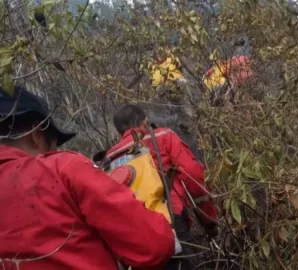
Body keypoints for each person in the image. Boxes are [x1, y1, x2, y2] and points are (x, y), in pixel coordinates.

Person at [0, 86, 175, 270]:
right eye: (52, 146)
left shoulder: (110, 156)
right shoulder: (61, 170)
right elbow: (153, 245)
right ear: (36, 136)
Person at [106, 104, 219, 269]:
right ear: (144, 122)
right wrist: (208, 218)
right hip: (171, 223)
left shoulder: (110, 160)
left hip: (136, 239)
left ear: (119, 133)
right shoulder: (163, 137)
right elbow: (193, 176)